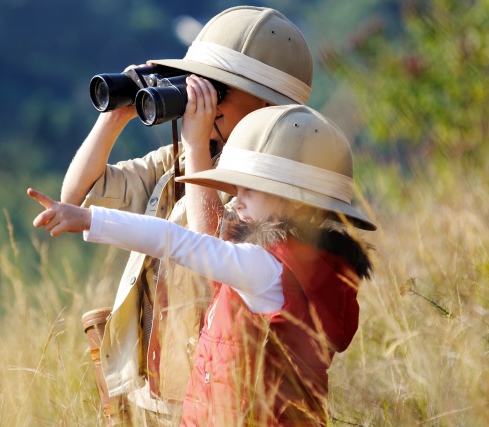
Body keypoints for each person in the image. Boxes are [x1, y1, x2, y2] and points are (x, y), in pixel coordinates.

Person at [29, 104, 376, 425]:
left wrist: (89, 219)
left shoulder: (265, 269)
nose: (237, 200)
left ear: (298, 205)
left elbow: (176, 241)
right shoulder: (314, 271)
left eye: (251, 189)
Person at [61, 5, 314, 421]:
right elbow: (77, 196)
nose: (205, 99)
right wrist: (117, 114)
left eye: (220, 89)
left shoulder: (276, 190)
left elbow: (215, 259)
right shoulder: (179, 160)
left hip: (217, 395)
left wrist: (197, 147)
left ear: (269, 105)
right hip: (154, 390)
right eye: (199, 84)